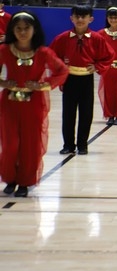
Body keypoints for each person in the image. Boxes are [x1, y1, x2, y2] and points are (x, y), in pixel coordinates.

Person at [0, 12, 69, 197]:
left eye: (26, 28)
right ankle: (10, 178)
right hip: (10, 104)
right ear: (12, 30)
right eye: (18, 29)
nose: (22, 33)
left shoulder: (43, 52)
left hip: (33, 104)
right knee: (10, 143)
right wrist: (3, 83)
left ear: (34, 29)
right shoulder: (5, 50)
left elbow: (62, 71)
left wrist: (42, 84)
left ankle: (25, 181)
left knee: (30, 144)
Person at [50, 5, 115, 155]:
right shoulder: (62, 38)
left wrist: (97, 66)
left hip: (86, 79)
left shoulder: (97, 39)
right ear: (71, 18)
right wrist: (60, 69)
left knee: (86, 113)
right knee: (68, 113)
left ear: (90, 19)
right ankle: (68, 145)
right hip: (69, 80)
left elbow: (109, 55)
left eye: (83, 17)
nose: (80, 20)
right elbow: (51, 56)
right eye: (77, 16)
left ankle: (82, 144)